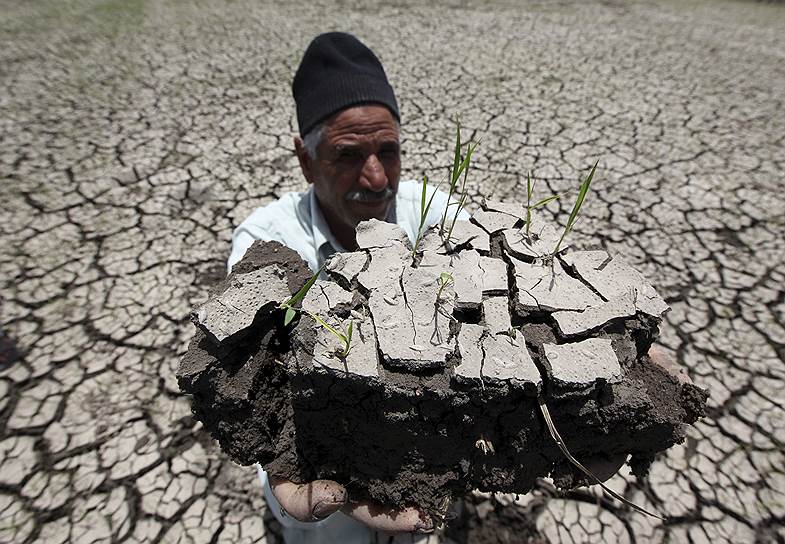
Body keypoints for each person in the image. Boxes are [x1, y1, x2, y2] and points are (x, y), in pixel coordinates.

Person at [228, 32, 464, 544]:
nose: (376, 178)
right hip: (330, 523)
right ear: (306, 160)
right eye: (349, 154)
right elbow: (260, 388)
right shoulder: (268, 245)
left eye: (387, 151)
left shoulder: (438, 217)